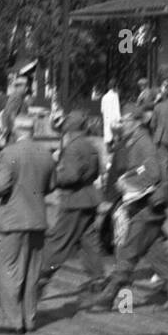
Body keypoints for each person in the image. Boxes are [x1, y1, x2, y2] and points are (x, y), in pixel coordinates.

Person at [88, 107, 168, 313]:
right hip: (145, 209)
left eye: (124, 121)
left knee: (127, 254)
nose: (121, 124)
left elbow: (153, 173)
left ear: (135, 121)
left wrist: (128, 182)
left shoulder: (142, 143)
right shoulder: (135, 141)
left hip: (145, 209)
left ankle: (107, 298)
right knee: (158, 257)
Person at [0, 114, 57, 334]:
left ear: (15, 131)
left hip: (12, 221)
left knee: (8, 271)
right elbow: (52, 185)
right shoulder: (46, 154)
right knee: (31, 273)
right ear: (33, 130)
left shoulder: (9, 153)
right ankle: (29, 319)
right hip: (37, 219)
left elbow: (0, 187)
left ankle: (13, 321)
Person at [38, 111, 106, 297]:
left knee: (58, 241)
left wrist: (54, 176)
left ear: (69, 127)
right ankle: (98, 278)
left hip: (73, 200)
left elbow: (71, 176)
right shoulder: (90, 145)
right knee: (88, 241)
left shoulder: (73, 147)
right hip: (90, 198)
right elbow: (97, 171)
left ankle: (41, 276)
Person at [100, 81, 122, 151]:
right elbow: (117, 108)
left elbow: (102, 110)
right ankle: (116, 149)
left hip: (106, 118)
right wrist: (119, 118)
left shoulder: (104, 97)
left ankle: (108, 148)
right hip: (114, 119)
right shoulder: (115, 95)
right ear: (114, 87)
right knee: (115, 134)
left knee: (107, 134)